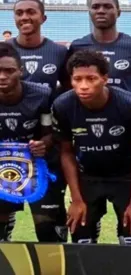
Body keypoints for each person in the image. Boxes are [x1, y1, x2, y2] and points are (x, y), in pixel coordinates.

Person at [51, 50, 131, 245]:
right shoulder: (62, 105)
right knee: (81, 239)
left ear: (105, 79)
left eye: (91, 78)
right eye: (78, 79)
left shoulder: (128, 104)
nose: (83, 86)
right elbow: (66, 152)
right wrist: (76, 199)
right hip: (88, 178)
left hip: (124, 178)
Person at [7, 0, 69, 243]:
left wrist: (51, 136)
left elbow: (67, 92)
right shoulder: (4, 50)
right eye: (19, 13)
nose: (25, 17)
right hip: (7, 150)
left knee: (48, 226)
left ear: (43, 18)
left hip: (46, 148)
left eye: (31, 12)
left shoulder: (59, 52)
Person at [0, 42, 53, 241]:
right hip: (1, 165)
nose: (2, 76)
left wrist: (43, 144)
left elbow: (50, 133)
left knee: (48, 230)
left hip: (37, 165)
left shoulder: (41, 95)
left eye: (9, 71)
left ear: (20, 71)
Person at [66, 0, 131, 97]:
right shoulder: (77, 47)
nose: (101, 11)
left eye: (107, 6)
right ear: (90, 12)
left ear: (118, 13)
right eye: (95, 7)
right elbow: (67, 86)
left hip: (124, 111)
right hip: (84, 112)